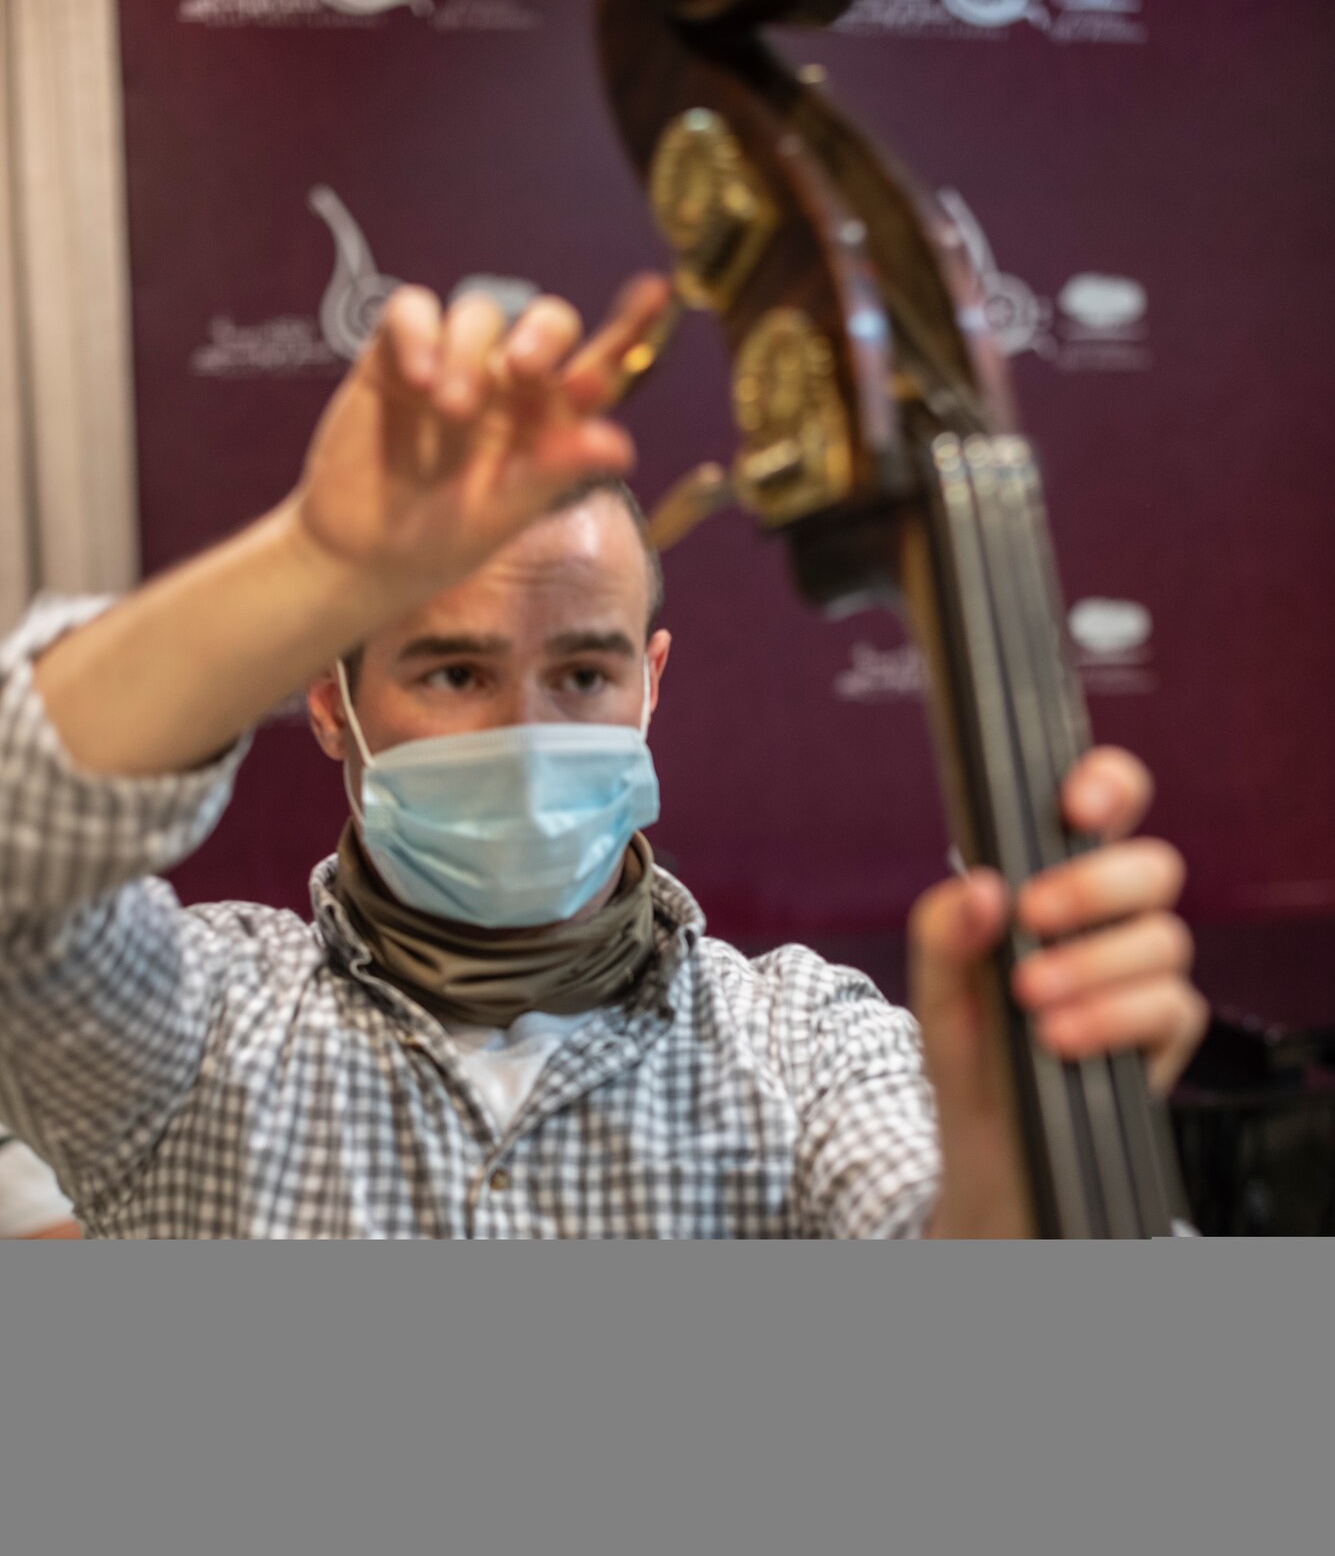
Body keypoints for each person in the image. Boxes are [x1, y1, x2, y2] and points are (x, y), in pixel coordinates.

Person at [0, 278, 1205, 1237]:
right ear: (329, 699)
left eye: (581, 674)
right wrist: (313, 565)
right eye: (455, 672)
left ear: (651, 684)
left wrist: (1018, 1182)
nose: (526, 737)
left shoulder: (805, 1042)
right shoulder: (184, 1027)